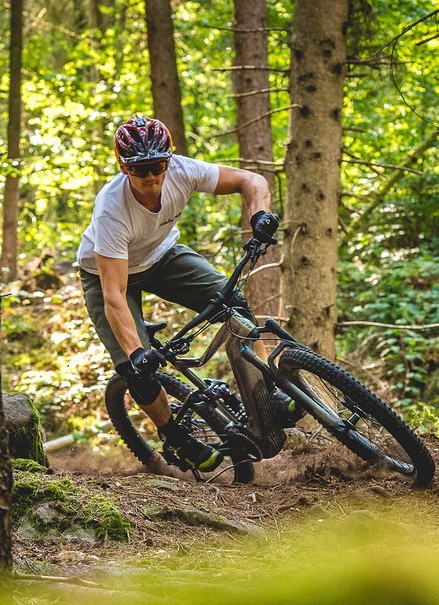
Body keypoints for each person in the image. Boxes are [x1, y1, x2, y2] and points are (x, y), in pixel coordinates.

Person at [77, 114, 286, 472]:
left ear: (168, 160)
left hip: (162, 256)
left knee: (232, 302)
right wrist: (137, 352)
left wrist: (260, 216)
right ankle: (174, 434)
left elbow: (251, 181)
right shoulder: (112, 209)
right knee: (136, 369)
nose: (151, 177)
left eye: (158, 166)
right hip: (106, 273)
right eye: (140, 169)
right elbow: (114, 294)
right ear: (124, 168)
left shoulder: (182, 171)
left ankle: (268, 396)